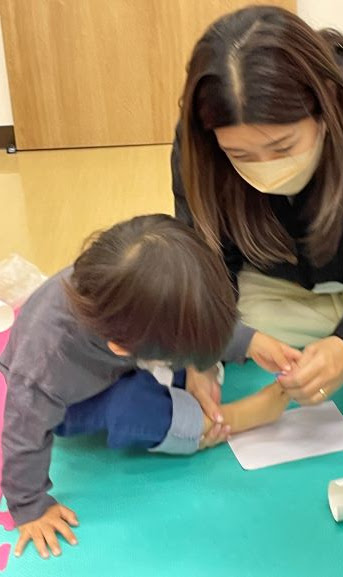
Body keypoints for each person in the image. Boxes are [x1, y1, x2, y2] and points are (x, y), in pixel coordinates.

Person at [172, 5, 343, 406]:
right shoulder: (201, 147)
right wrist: (202, 351)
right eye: (239, 154)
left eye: (283, 146)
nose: (265, 167)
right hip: (276, 291)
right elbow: (205, 259)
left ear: (326, 100)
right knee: (160, 328)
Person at [0, 214, 291, 560]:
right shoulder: (43, 366)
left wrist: (249, 342)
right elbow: (22, 434)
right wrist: (30, 506)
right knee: (130, 406)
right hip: (73, 403)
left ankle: (192, 372)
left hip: (123, 358)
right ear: (124, 347)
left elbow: (190, 317)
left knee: (185, 352)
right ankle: (223, 421)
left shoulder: (128, 292)